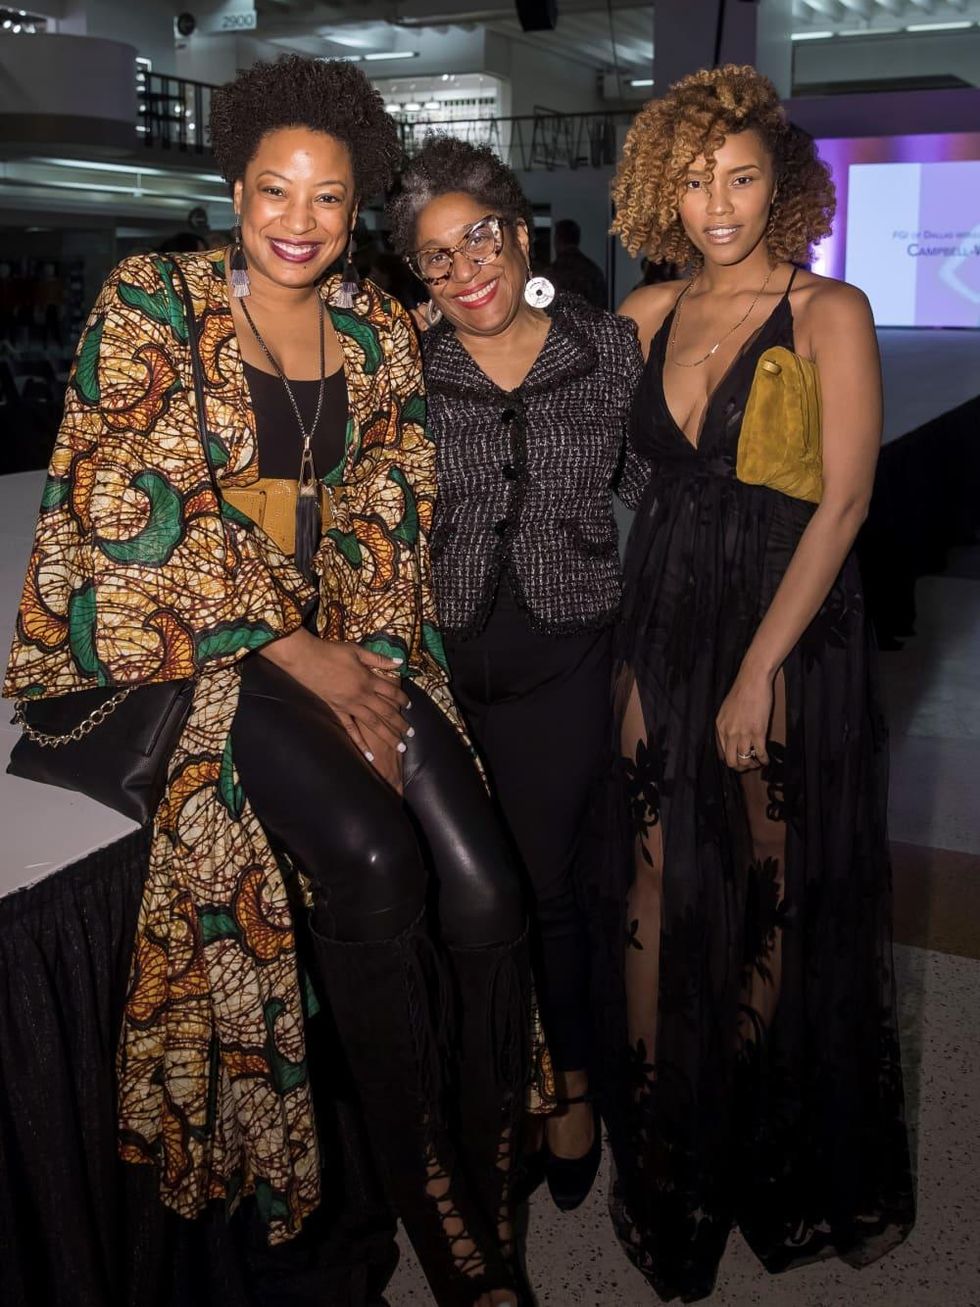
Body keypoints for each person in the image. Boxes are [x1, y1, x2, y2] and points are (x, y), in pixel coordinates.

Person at [3, 56, 528, 1307]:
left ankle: (488, 1168)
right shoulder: (154, 300)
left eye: (329, 199)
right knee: (370, 857)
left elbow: (389, 500)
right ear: (234, 189)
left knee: (486, 882)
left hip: (349, 634)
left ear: (357, 210)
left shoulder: (375, 329)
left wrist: (352, 640)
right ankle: (448, 1226)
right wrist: (290, 645)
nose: (299, 221)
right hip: (183, 656)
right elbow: (125, 512)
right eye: (274, 192)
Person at [592, 64, 916, 1301]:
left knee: (775, 876)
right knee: (652, 865)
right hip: (660, 610)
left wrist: (754, 672)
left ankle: (743, 1104)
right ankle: (666, 1135)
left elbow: (843, 503)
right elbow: (527, 378)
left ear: (779, 183)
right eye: (689, 178)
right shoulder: (642, 308)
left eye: (737, 176)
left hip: (782, 625)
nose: (714, 202)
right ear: (657, 188)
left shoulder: (826, 307)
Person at [387, 137, 649, 1214]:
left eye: (477, 239)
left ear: (521, 233)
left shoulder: (606, 349)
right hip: (434, 665)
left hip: (563, 654)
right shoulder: (401, 366)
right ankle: (487, 1081)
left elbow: (660, 483)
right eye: (435, 259)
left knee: (552, 887)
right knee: (457, 891)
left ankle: (571, 1085)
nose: (463, 270)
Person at [543, 217, 608, 309]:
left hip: (559, 322)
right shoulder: (593, 271)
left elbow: (544, 309)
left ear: (558, 239)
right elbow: (602, 307)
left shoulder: (553, 272)